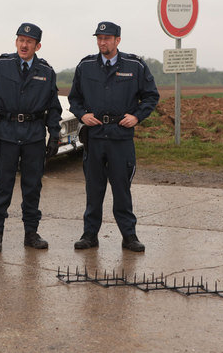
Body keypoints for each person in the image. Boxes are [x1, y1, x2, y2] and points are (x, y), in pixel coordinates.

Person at [68, 21, 160, 252]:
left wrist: (137, 117)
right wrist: (82, 115)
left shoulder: (135, 66)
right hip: (95, 136)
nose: (102, 42)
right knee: (94, 190)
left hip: (121, 138)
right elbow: (74, 99)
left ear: (117, 40)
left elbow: (151, 96)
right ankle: (90, 235)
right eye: (99, 38)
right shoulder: (86, 66)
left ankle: (129, 236)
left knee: (122, 190)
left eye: (107, 38)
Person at [0, 22, 62, 253]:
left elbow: (54, 108)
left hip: (34, 136)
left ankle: (31, 233)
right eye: (21, 40)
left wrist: (54, 135)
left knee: (32, 187)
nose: (24, 45)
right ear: (16, 42)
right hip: (6, 134)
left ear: (38, 46)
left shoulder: (46, 72)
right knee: (2, 186)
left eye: (29, 42)